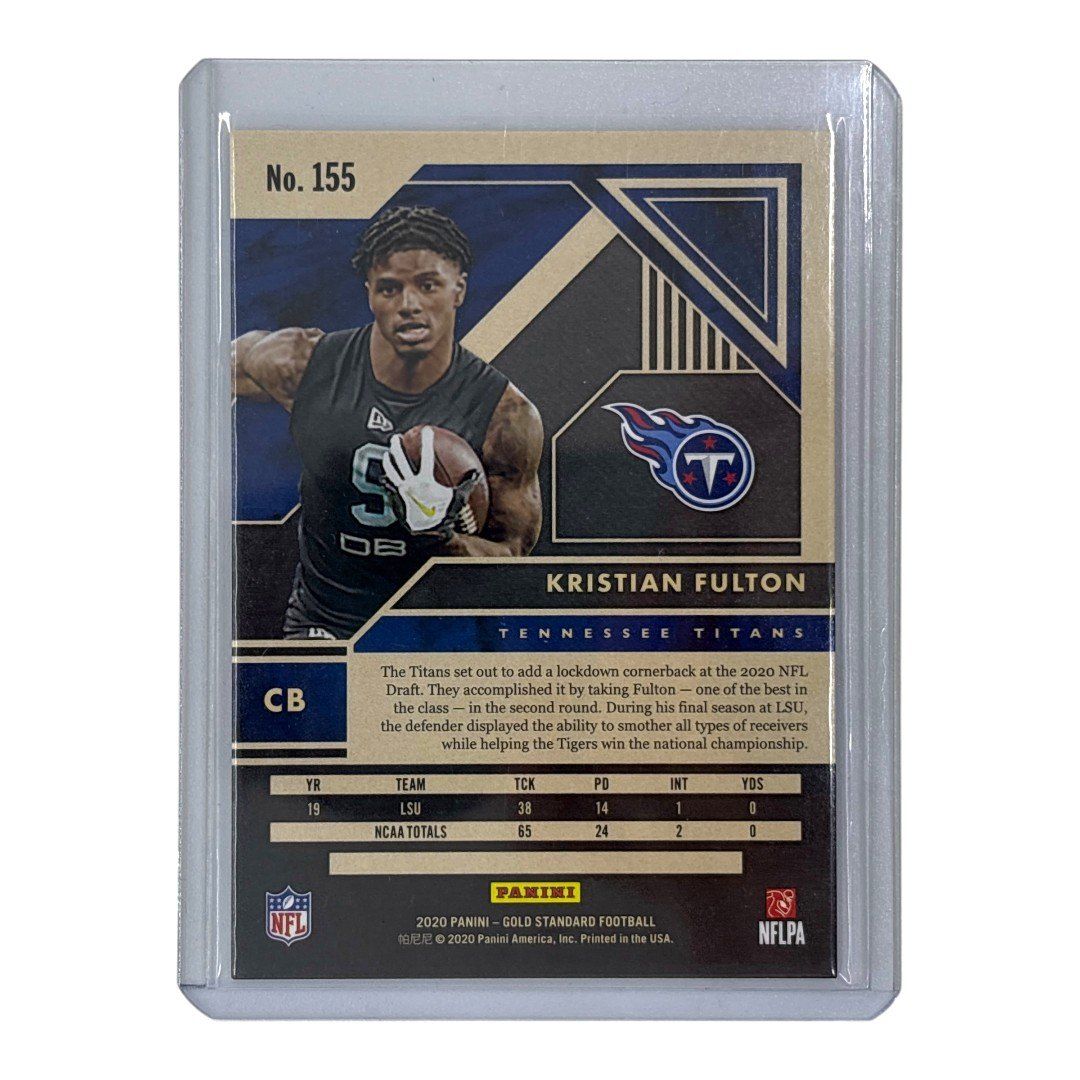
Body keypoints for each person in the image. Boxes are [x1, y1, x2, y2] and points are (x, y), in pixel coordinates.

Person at [231, 205, 543, 639]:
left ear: (458, 289)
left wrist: (439, 535)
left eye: (428, 285)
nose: (409, 305)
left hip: (432, 633)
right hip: (323, 623)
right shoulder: (302, 365)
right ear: (369, 294)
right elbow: (198, 376)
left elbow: (511, 555)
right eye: (390, 289)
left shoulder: (504, 415)